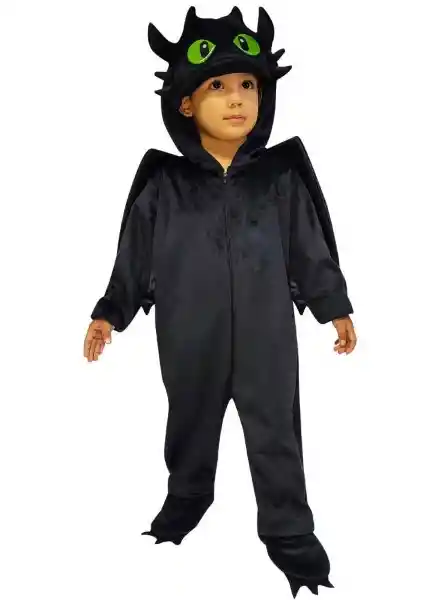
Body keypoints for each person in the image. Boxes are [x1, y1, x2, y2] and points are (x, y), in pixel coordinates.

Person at [83, 6, 357, 597]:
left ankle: (289, 533)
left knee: (277, 431)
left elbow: (308, 248)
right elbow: (134, 256)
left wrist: (334, 305)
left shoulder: (279, 179)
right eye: (218, 87)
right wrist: (110, 312)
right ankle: (187, 497)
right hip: (190, 333)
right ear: (185, 104)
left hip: (266, 337)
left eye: (248, 86)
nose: (237, 99)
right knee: (188, 419)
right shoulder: (165, 184)